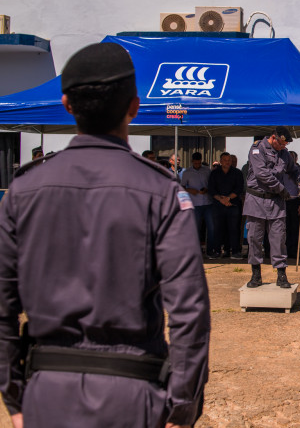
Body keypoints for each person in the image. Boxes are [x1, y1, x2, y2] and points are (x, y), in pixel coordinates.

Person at [0, 42, 210, 427]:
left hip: (48, 394)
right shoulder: (162, 192)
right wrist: (181, 407)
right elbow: (189, 312)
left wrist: (15, 398)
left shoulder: (22, 192)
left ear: (66, 104)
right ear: (134, 106)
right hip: (132, 398)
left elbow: (3, 307)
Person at [243, 126, 299, 289]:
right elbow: (262, 174)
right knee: (254, 238)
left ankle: (281, 275)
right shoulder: (257, 149)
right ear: (274, 138)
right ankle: (256, 275)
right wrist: (282, 189)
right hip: (256, 200)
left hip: (276, 203)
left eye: (285, 145)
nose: (284, 147)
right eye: (281, 143)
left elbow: (294, 170)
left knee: (279, 239)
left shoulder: (284, 154)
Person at [209, 151, 245, 259]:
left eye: (229, 160)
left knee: (234, 229)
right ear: (220, 161)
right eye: (225, 160)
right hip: (218, 205)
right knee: (218, 229)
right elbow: (211, 189)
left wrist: (228, 198)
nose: (227, 162)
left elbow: (239, 188)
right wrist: (221, 199)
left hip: (233, 205)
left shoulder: (237, 172)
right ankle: (217, 251)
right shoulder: (214, 173)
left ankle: (235, 252)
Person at [181, 152, 216, 258]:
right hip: (195, 204)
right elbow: (181, 187)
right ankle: (196, 251)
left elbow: (212, 184)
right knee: (195, 228)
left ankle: (210, 251)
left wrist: (207, 189)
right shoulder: (187, 172)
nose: (197, 164)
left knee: (211, 228)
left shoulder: (207, 171)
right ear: (192, 161)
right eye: (195, 163)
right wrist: (190, 190)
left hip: (208, 203)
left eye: (199, 163)